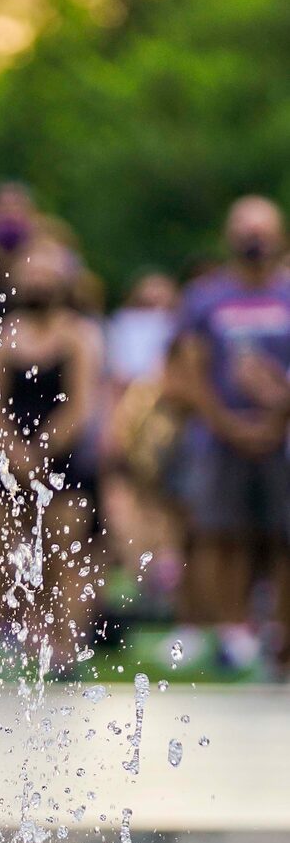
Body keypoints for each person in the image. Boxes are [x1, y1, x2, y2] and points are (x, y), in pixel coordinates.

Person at [0, 235, 103, 673]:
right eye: (32, 273)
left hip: (61, 458)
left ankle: (64, 648)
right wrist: (14, 452)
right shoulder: (0, 336)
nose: (39, 282)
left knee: (65, 551)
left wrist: (41, 451)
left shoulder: (80, 335)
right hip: (7, 458)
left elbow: (80, 405)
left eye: (47, 273)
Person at [174, 195, 290, 663]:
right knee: (222, 534)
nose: (253, 240)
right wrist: (228, 424)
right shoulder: (205, 298)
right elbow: (188, 370)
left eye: (261, 230)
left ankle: (279, 637)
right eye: (245, 230)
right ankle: (231, 636)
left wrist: (276, 416)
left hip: (282, 438)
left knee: (283, 537)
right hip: (220, 439)